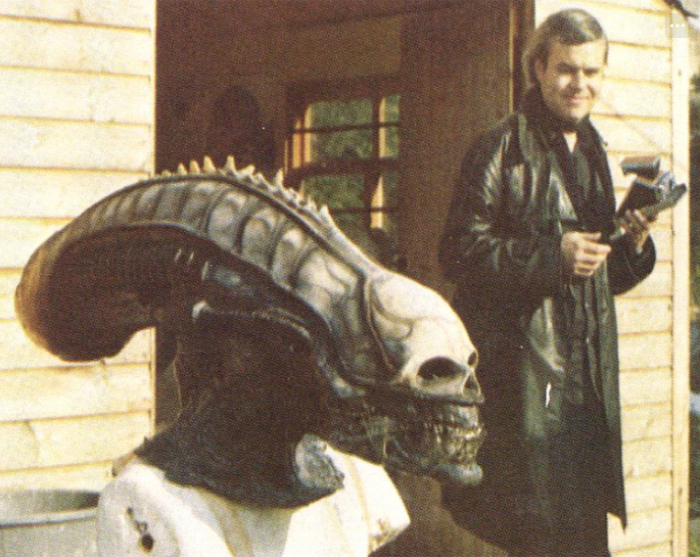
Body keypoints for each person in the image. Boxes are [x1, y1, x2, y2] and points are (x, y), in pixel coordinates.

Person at [438, 9, 656, 557]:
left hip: (586, 392)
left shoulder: (593, 149)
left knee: (586, 543)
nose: (580, 84)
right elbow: (459, 253)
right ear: (537, 68)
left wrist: (631, 244)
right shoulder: (500, 148)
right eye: (566, 69)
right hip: (526, 389)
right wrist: (552, 256)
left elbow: (596, 278)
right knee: (535, 540)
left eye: (592, 71)